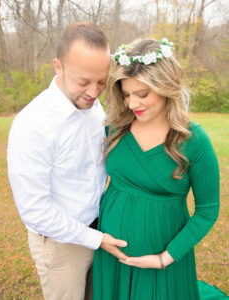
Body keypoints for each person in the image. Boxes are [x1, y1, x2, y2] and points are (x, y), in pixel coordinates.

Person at [7, 22, 128, 300]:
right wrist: (96, 239)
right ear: (58, 67)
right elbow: (35, 211)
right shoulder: (33, 124)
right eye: (83, 81)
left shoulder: (93, 106)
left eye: (101, 81)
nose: (94, 92)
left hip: (100, 229)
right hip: (60, 246)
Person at [92, 38, 220, 300]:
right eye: (126, 94)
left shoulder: (193, 140)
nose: (132, 104)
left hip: (162, 263)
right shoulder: (113, 129)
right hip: (111, 256)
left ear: (166, 88)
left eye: (142, 94)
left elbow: (207, 211)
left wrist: (165, 258)